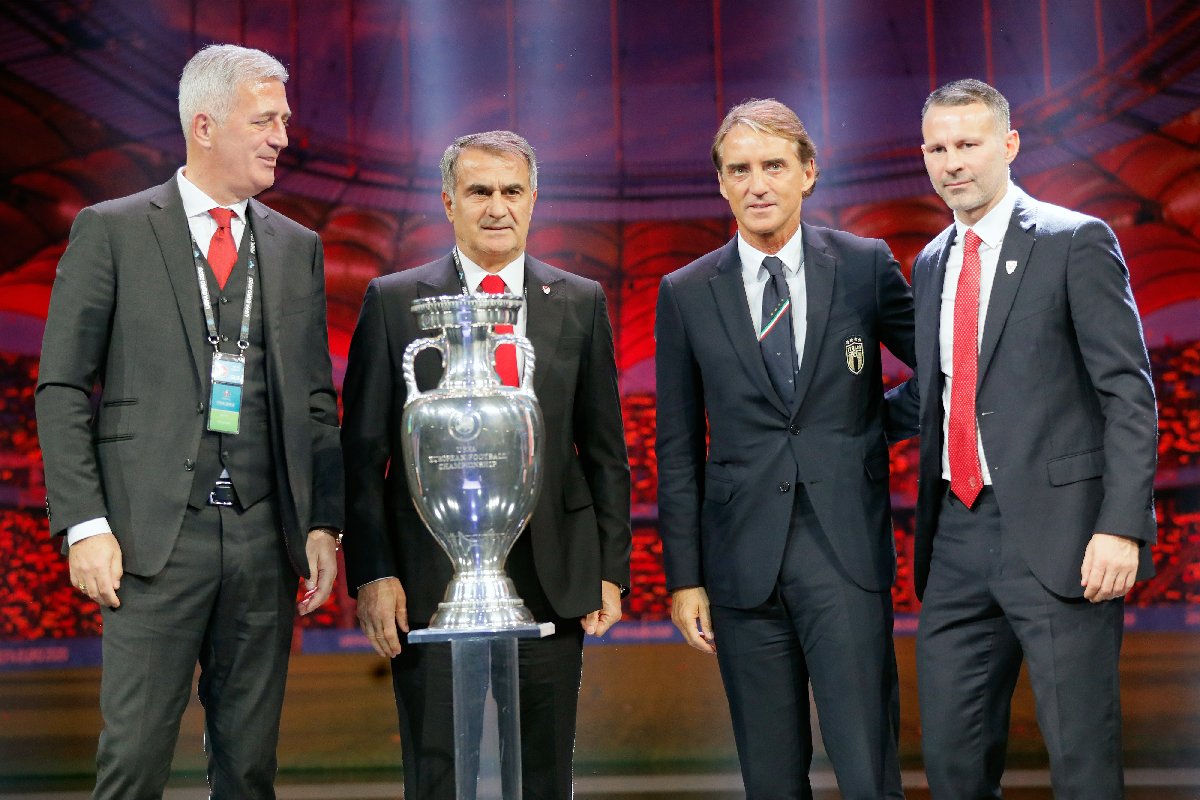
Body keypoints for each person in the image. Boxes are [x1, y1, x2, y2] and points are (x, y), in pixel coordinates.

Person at [35, 44, 344, 798]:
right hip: (151, 543)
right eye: (264, 120)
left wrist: (322, 522)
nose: (282, 137)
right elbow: (62, 386)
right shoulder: (111, 230)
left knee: (248, 770)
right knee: (133, 763)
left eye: (284, 120)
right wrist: (84, 523)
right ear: (204, 126)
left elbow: (314, 400)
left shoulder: (296, 246)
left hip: (264, 542)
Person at [341, 129, 631, 799]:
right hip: (429, 582)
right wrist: (375, 571)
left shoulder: (581, 300)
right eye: (479, 191)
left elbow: (605, 451)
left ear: (533, 199)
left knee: (544, 777)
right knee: (439, 775)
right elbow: (361, 456)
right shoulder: (394, 301)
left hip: (551, 575)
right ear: (449, 202)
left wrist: (610, 570)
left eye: (511, 191)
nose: (497, 207)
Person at [889, 78, 1157, 798]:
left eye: (968, 144)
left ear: (1008, 144)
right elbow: (936, 392)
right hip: (954, 536)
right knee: (952, 762)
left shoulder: (1075, 240)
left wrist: (1121, 527)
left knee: (1081, 757)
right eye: (937, 149)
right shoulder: (930, 262)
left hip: (1064, 534)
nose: (953, 162)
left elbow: (1128, 393)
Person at [654, 98, 914, 799]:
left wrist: (871, 426)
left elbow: (944, 371)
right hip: (741, 567)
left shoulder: (863, 266)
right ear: (721, 183)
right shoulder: (685, 292)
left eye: (773, 165)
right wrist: (684, 579)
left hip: (844, 555)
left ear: (808, 172)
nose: (758, 184)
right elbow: (677, 448)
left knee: (868, 773)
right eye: (740, 170)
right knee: (770, 781)